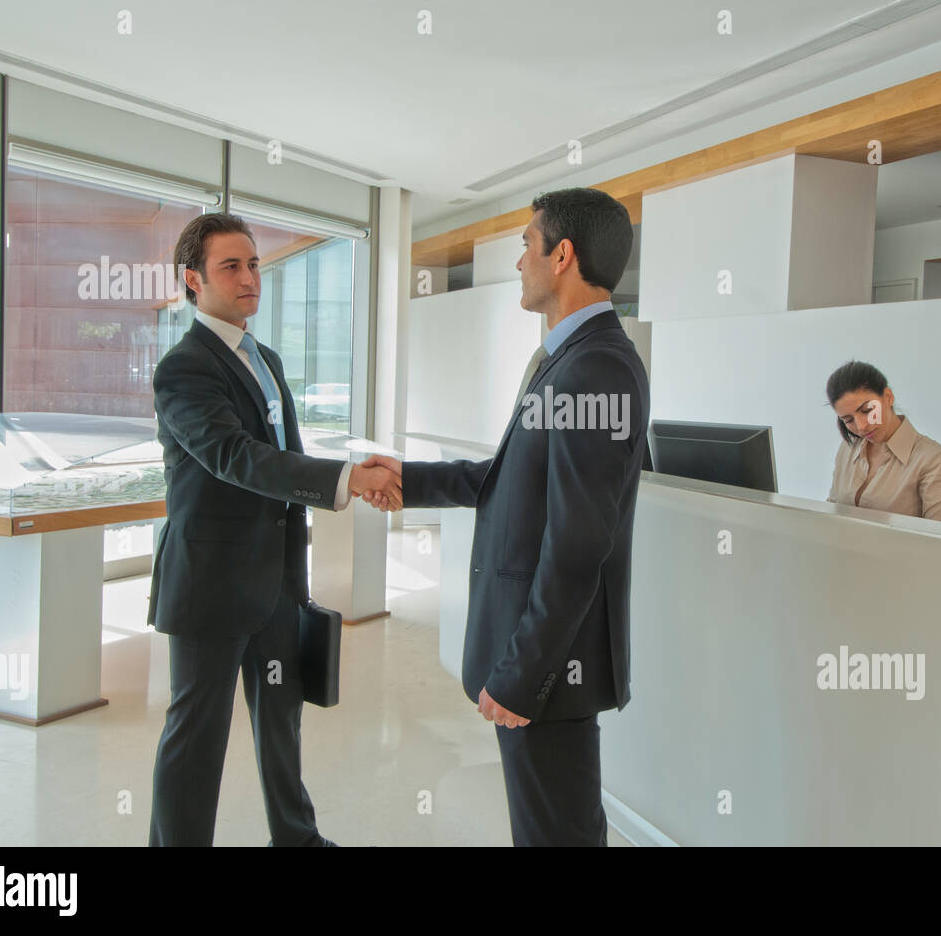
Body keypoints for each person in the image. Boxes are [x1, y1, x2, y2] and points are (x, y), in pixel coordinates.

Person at [358, 188, 648, 846]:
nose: (519, 261)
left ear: (562, 254)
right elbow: (511, 478)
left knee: (557, 835)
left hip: (551, 668)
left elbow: (578, 544)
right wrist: (411, 481)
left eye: (525, 244)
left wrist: (523, 673)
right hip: (546, 663)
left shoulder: (596, 368)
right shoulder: (568, 359)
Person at [147, 213, 401, 847]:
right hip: (211, 584)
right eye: (230, 266)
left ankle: (297, 838)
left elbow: (280, 449)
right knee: (197, 734)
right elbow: (236, 456)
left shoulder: (264, 356)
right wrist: (345, 479)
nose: (248, 277)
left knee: (281, 721)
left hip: (279, 578)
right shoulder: (183, 369)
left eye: (254, 264)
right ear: (192, 281)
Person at [825, 360, 941, 523]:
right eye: (848, 420)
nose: (861, 427)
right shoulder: (848, 448)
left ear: (888, 397)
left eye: (867, 411)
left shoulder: (931, 458)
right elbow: (832, 513)